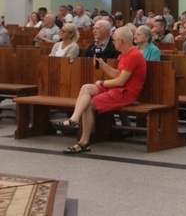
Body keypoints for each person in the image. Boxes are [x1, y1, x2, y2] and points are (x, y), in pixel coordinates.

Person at [53, 26, 147, 154]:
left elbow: (121, 81)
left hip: (126, 93)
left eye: (114, 40)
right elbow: (117, 75)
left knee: (89, 104)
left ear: (122, 41)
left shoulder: (134, 55)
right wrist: (103, 65)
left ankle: (84, 142)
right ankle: (74, 119)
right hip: (118, 89)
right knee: (86, 88)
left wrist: (102, 82)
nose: (113, 43)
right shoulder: (124, 55)